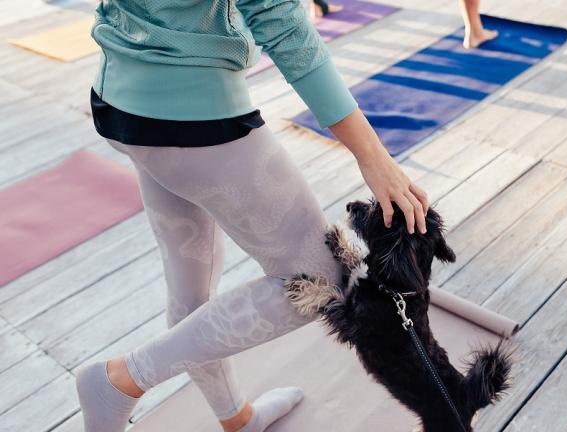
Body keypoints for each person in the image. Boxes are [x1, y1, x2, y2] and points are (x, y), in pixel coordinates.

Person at [78, 0, 429, 431]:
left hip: (119, 100)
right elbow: (279, 21)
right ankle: (122, 380)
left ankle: (236, 420)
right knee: (322, 277)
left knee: (191, 285)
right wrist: (372, 155)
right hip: (197, 122)